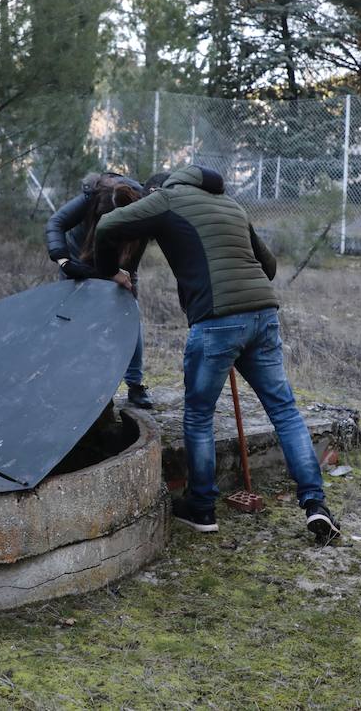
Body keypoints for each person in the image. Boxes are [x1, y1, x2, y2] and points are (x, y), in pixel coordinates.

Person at [92, 165, 340, 543]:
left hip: (216, 324)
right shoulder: (231, 205)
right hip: (263, 316)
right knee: (285, 411)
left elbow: (109, 225)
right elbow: (269, 266)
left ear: (159, 188)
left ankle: (202, 507)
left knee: (199, 415)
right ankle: (315, 505)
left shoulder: (166, 198)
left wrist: (110, 270)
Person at [46, 172, 151, 407]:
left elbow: (133, 259)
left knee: (130, 315)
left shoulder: (143, 207)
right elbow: (55, 223)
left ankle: (135, 384)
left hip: (117, 264)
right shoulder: (90, 196)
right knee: (76, 322)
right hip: (77, 261)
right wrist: (63, 260)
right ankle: (82, 386)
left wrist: (127, 280)